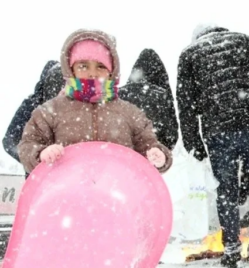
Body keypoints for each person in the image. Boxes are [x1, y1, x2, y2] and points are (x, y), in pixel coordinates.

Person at [177, 25, 249, 268]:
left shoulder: (190, 54)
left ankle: (231, 249)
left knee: (226, 191)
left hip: (217, 131)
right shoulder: (246, 41)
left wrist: (194, 142)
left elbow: (186, 103)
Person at [18, 29, 171, 175]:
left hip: (117, 190)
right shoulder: (51, 110)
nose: (92, 73)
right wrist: (41, 153)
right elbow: (28, 145)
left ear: (111, 71)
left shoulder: (129, 113)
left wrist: (158, 155)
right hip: (66, 189)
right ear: (71, 69)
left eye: (101, 66)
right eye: (83, 66)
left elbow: (148, 145)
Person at [119, 48, 179, 150]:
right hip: (155, 151)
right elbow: (171, 133)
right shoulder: (162, 95)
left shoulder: (122, 93)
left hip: (127, 151)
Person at [4, 61, 63, 164]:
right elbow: (10, 141)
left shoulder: (80, 105)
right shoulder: (33, 106)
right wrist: (38, 156)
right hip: (43, 169)